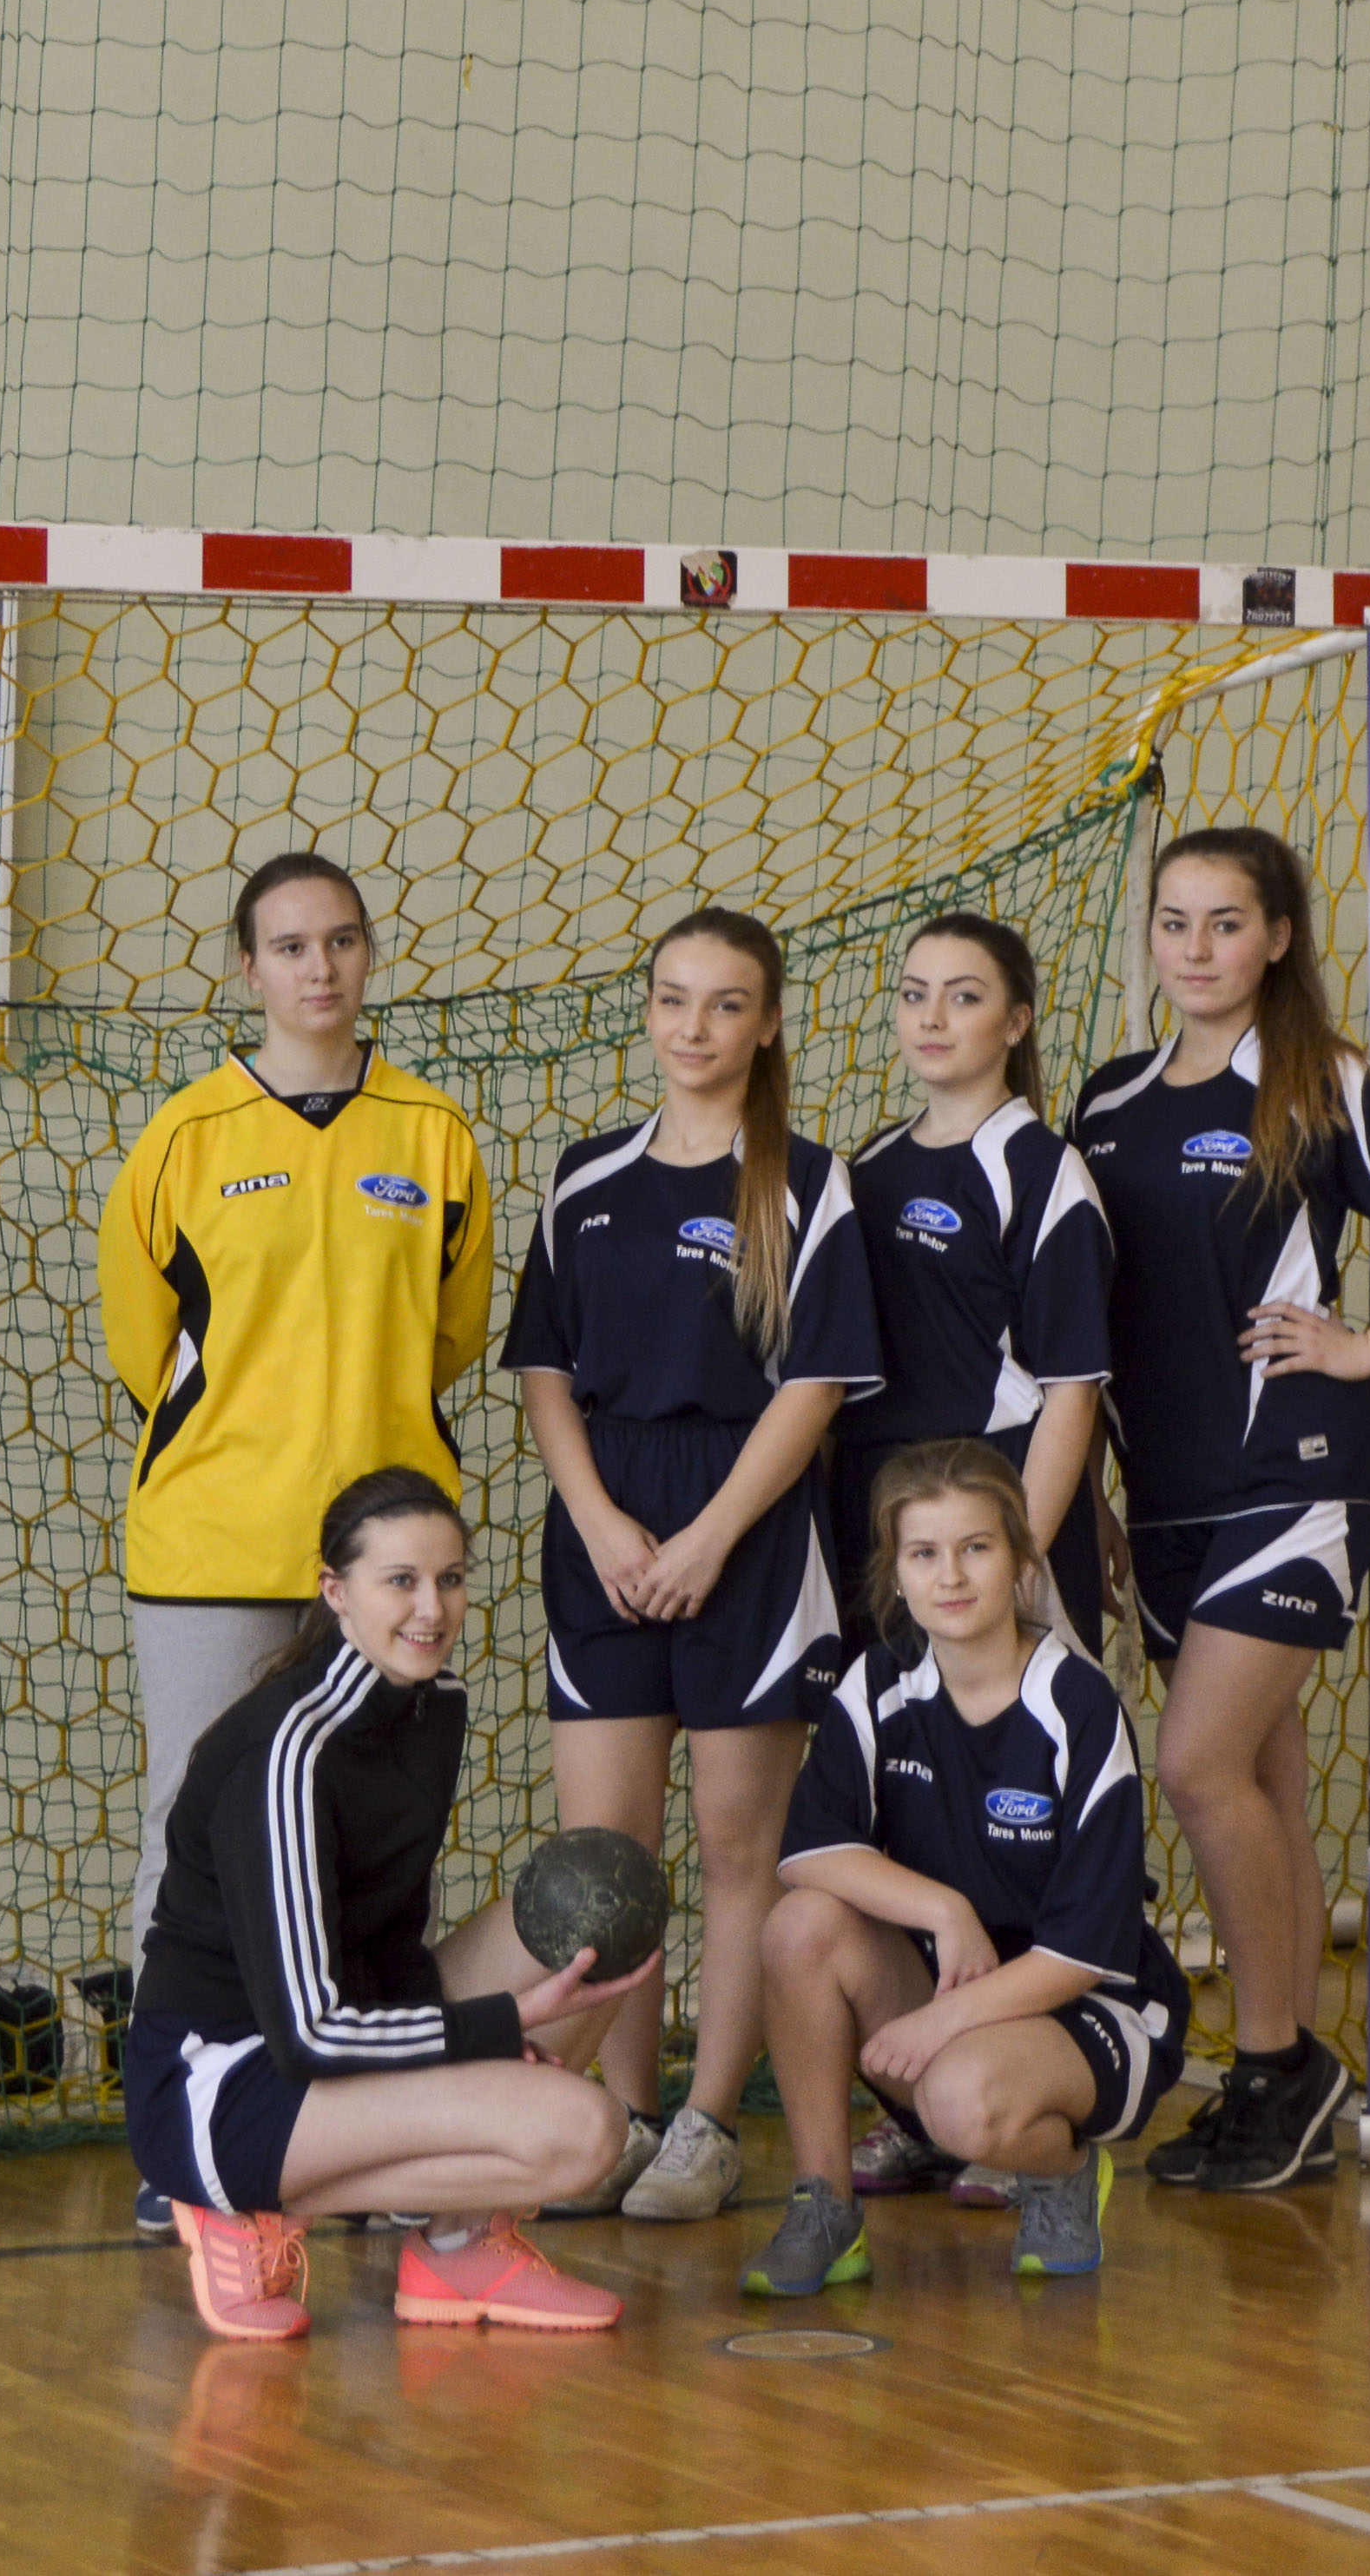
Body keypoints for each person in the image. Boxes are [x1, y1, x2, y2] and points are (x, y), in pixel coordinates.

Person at [1069, 827, 1370, 2192]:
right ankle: (1284, 2078)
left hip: (1292, 1472)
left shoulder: (1321, 1081)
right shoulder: (1104, 1100)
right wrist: (1089, 1484)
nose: (1194, 947)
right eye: (1173, 921)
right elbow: (1088, 1314)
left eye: (1224, 921)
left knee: (1195, 1765)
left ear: (1275, 937)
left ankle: (1275, 2058)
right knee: (1257, 1779)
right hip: (1160, 1494)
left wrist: (1364, 1345)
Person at [99, 852, 495, 2237]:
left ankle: (363, 2129)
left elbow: (451, 1331)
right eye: (286, 945)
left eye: (338, 940)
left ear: (367, 953)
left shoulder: (432, 1132)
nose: (315, 968)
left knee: (377, 1834)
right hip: (214, 1540)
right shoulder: (183, 1135)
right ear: (245, 966)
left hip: (385, 1557)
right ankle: (181, 2147)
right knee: (194, 1823)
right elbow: (141, 1344)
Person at [505, 907, 883, 2222]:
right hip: (604, 1523)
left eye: (726, 1003)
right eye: (673, 997)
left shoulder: (808, 1184)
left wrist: (712, 1535)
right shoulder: (585, 1176)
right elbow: (542, 1370)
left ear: (767, 1023)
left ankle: (708, 2123)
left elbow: (816, 1385)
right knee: (605, 1859)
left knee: (736, 1850)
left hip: (752, 1528)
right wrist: (603, 1523)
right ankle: (620, 2117)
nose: (693, 1025)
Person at [125, 1470, 651, 2342]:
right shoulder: (286, 1750)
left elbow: (387, 1939)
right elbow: (308, 2031)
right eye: (400, 1581)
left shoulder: (429, 1707)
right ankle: (240, 2202)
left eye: (450, 1578)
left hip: (342, 2035)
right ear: (336, 1592)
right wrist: (499, 2029)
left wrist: (480, 2049)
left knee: (604, 1904)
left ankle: (459, 2243)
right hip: (223, 2081)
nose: (431, 1609)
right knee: (586, 2132)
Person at [746, 1440, 1189, 2293]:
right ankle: (824, 2208)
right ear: (896, 1573)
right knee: (799, 1927)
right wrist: (943, 1910)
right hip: (948, 1987)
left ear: (1021, 1562)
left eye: (975, 1547)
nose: (949, 1575)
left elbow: (1079, 1954)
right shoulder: (876, 1683)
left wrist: (938, 2023)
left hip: (1092, 2006)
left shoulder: (1076, 1704)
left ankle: (1061, 2170)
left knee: (959, 2104)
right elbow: (808, 1853)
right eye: (923, 1553)